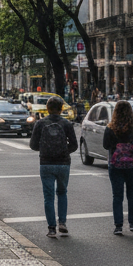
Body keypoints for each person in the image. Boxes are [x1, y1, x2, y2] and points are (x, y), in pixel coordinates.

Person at [29, 95, 78, 239]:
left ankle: (51, 228)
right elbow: (74, 145)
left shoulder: (40, 123)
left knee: (48, 196)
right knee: (62, 192)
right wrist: (63, 151)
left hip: (46, 163)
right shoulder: (66, 124)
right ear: (61, 109)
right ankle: (62, 222)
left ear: (47, 109)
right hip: (63, 163)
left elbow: (33, 145)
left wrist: (45, 149)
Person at [103, 100, 133, 234]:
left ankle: (118, 226)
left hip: (115, 165)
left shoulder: (111, 128)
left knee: (117, 196)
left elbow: (105, 145)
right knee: (132, 194)